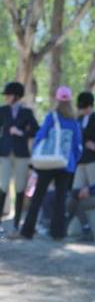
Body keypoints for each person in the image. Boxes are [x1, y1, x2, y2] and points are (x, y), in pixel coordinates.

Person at [9, 86, 82, 241]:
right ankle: (58, 234)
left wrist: (36, 154)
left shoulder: (51, 116)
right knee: (61, 199)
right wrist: (72, 163)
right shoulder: (74, 122)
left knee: (37, 197)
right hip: (65, 165)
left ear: (57, 99)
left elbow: (40, 137)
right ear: (70, 100)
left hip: (47, 163)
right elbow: (77, 146)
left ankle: (26, 232)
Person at [0, 81, 39, 229]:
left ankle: (16, 223)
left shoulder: (27, 112)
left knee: (20, 187)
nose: (6, 98)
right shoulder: (2, 110)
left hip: (21, 154)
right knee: (3, 186)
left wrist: (22, 133)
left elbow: (36, 130)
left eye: (8, 95)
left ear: (16, 96)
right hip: (4, 153)